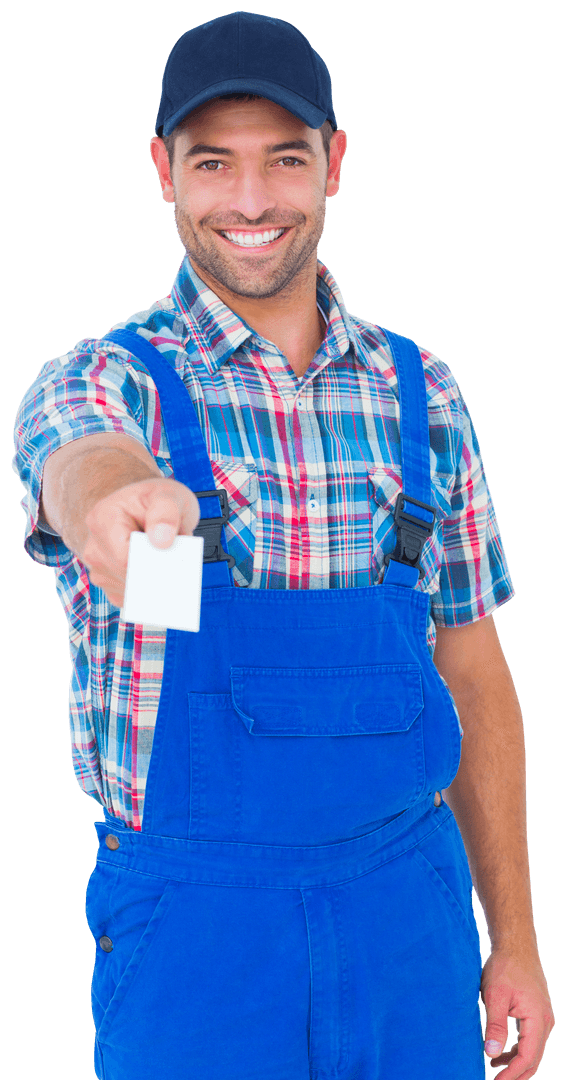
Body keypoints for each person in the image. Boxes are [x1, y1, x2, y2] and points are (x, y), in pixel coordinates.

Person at [12, 11, 554, 1080]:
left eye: (284, 161)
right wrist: (114, 500)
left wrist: (519, 942)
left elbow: (475, 674)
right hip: (198, 938)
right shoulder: (111, 379)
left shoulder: (424, 393)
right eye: (215, 163)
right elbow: (74, 453)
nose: (251, 202)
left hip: (412, 917)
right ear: (164, 171)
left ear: (335, 166)